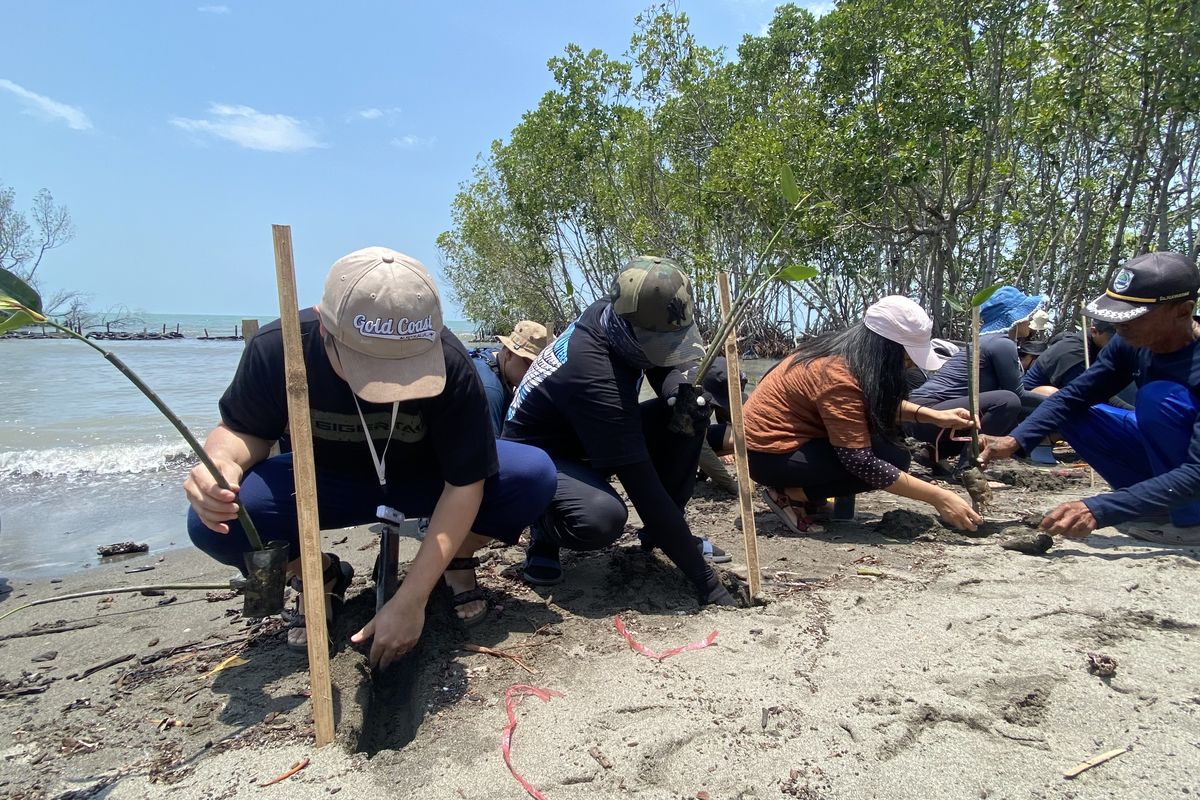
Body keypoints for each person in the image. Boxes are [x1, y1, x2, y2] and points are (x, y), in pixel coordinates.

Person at [184, 247, 557, 670]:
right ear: (326, 331)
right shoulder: (281, 348)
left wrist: (411, 598)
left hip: (423, 477)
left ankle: (454, 559)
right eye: (371, 366)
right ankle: (314, 573)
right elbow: (242, 430)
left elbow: (465, 482)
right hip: (323, 480)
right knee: (218, 520)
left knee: (532, 474)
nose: (392, 384)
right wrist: (222, 463)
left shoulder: (453, 362)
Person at [502, 255, 736, 605]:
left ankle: (666, 535)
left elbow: (664, 362)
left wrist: (678, 390)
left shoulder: (612, 311)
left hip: (582, 436)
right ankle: (544, 530)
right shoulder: (595, 373)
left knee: (692, 408)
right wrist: (709, 584)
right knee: (601, 518)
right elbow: (642, 487)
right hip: (538, 457)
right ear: (629, 330)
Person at [983, 251, 1200, 544]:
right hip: (1172, 462)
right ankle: (1156, 509)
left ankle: (1191, 523)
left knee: (1158, 398)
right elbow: (1074, 396)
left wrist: (1100, 508)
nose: (1120, 326)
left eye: (1133, 317)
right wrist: (1016, 440)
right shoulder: (1130, 342)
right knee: (1067, 409)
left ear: (1183, 311)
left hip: (1193, 472)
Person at [744, 296, 982, 533]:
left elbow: (867, 405)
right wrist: (939, 497)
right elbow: (860, 461)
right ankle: (789, 494)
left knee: (894, 454)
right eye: (907, 358)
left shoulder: (847, 354)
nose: (909, 366)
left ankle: (807, 495)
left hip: (795, 444)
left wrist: (934, 416)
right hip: (771, 456)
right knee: (886, 461)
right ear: (885, 349)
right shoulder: (837, 374)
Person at [908, 286, 1046, 461]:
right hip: (930, 413)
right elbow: (1017, 394)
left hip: (918, 413)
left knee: (1001, 406)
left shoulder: (987, 341)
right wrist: (1059, 403)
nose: (1030, 319)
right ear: (1016, 318)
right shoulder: (1001, 343)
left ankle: (936, 454)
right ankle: (970, 463)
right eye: (1027, 315)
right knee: (1008, 401)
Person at [1022, 320, 1135, 409]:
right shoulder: (1077, 352)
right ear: (1094, 332)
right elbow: (1090, 391)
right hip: (1032, 402)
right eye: (1112, 338)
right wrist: (1131, 411)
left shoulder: (1097, 346)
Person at [470, 320, 549, 436]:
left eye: (540, 369)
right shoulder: (489, 390)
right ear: (509, 353)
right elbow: (491, 449)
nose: (535, 373)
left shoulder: (495, 357)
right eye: (530, 365)